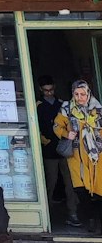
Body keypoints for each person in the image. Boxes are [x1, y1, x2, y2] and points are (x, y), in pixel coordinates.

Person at [54, 78, 102, 226]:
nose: (80, 97)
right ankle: (91, 219)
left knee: (98, 189)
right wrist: (65, 134)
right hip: (76, 156)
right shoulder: (67, 109)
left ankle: (99, 221)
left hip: (97, 155)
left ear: (88, 94)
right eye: (76, 94)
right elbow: (57, 126)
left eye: (83, 94)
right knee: (81, 189)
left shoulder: (97, 109)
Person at [37, 74, 80, 227]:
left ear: (54, 88)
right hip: (49, 149)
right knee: (51, 181)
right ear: (41, 90)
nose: (49, 93)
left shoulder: (61, 104)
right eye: (46, 91)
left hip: (65, 147)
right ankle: (46, 213)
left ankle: (72, 212)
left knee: (70, 182)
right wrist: (43, 139)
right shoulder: (38, 106)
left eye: (51, 90)